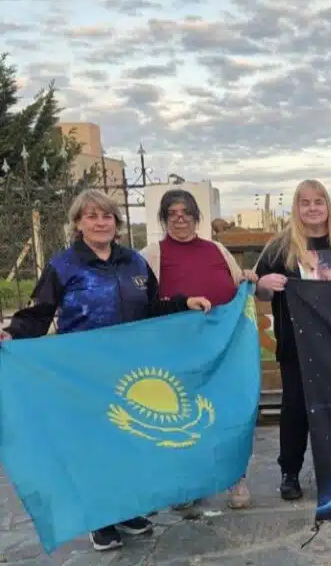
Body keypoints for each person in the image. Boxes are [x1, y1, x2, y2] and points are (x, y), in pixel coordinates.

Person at [0, 189, 211, 552]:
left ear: (117, 223)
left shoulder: (134, 262)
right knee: (94, 446)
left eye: (107, 216)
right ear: (78, 224)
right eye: (92, 216)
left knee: (127, 441)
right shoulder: (64, 265)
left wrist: (183, 303)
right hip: (84, 375)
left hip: (129, 371)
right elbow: (39, 313)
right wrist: (11, 333)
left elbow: (152, 307)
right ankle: (100, 520)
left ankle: (126, 510)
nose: (100, 223)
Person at [140, 188, 258, 511]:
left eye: (186, 213)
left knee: (230, 412)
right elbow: (144, 303)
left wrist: (247, 278)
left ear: (196, 217)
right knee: (185, 417)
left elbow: (237, 285)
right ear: (164, 219)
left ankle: (236, 476)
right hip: (179, 351)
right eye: (172, 214)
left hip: (223, 350)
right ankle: (189, 484)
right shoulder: (150, 255)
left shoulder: (217, 249)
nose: (180, 219)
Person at [254, 179, 331, 501]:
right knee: (295, 408)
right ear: (296, 208)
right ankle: (290, 472)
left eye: (318, 201)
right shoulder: (280, 245)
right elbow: (260, 289)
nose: (312, 208)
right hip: (296, 343)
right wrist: (264, 283)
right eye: (305, 202)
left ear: (328, 205)